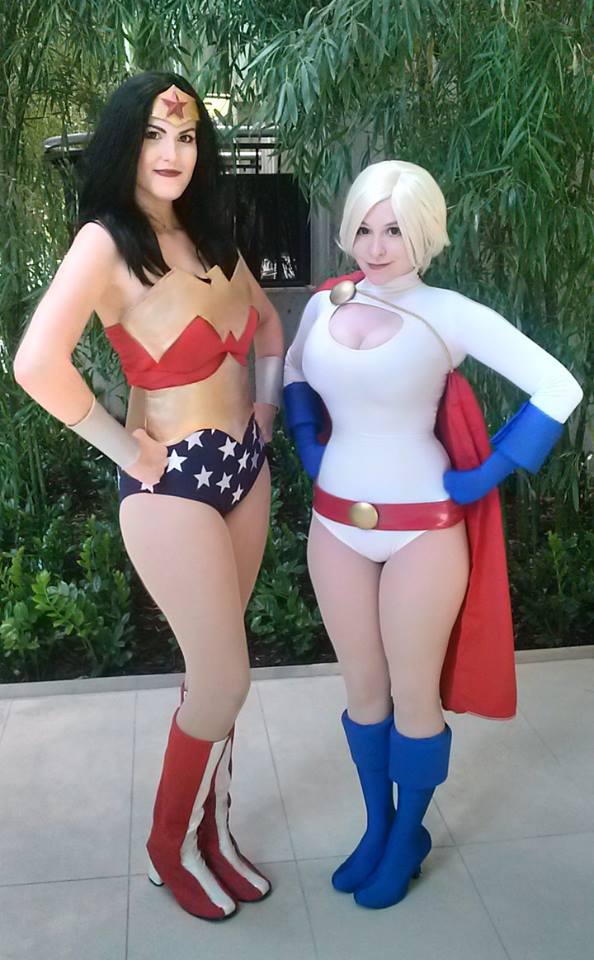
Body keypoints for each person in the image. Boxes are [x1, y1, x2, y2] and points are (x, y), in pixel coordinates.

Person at [14, 72, 284, 921]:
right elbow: (35, 364)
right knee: (225, 681)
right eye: (155, 135)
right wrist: (123, 446)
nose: (173, 152)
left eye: (188, 136)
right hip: (171, 485)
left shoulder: (210, 232)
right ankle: (169, 848)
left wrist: (268, 406)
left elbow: (268, 326)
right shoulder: (104, 242)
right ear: (125, 143)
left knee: (216, 678)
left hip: (244, 469)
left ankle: (213, 834)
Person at [283, 159, 582, 910]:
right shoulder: (324, 304)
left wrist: (486, 474)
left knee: (414, 693)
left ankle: (406, 835)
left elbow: (560, 385)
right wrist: (307, 440)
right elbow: (292, 370)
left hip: (423, 530)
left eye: (395, 230)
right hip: (335, 523)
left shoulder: (449, 312)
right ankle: (379, 828)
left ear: (424, 234)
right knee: (363, 691)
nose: (376, 246)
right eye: (364, 229)